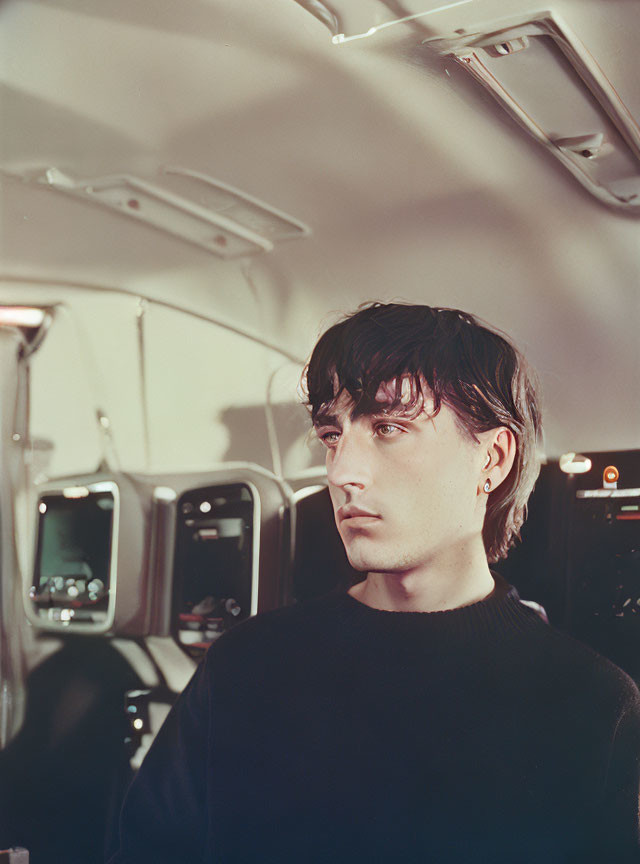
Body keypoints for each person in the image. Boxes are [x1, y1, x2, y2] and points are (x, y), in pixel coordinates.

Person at [108, 302, 640, 863]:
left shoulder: (592, 704)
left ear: (494, 457)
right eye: (333, 435)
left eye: (388, 428)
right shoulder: (244, 666)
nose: (339, 473)